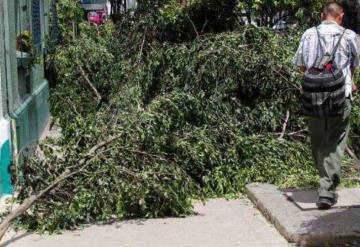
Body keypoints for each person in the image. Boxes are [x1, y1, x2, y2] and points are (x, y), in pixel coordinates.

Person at [293, 2, 360, 210]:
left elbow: (301, 65)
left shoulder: (308, 34)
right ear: (340, 16)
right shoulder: (350, 36)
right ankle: (326, 190)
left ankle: (326, 184)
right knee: (335, 142)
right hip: (340, 97)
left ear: (323, 15)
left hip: (313, 98)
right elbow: (354, 65)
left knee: (318, 142)